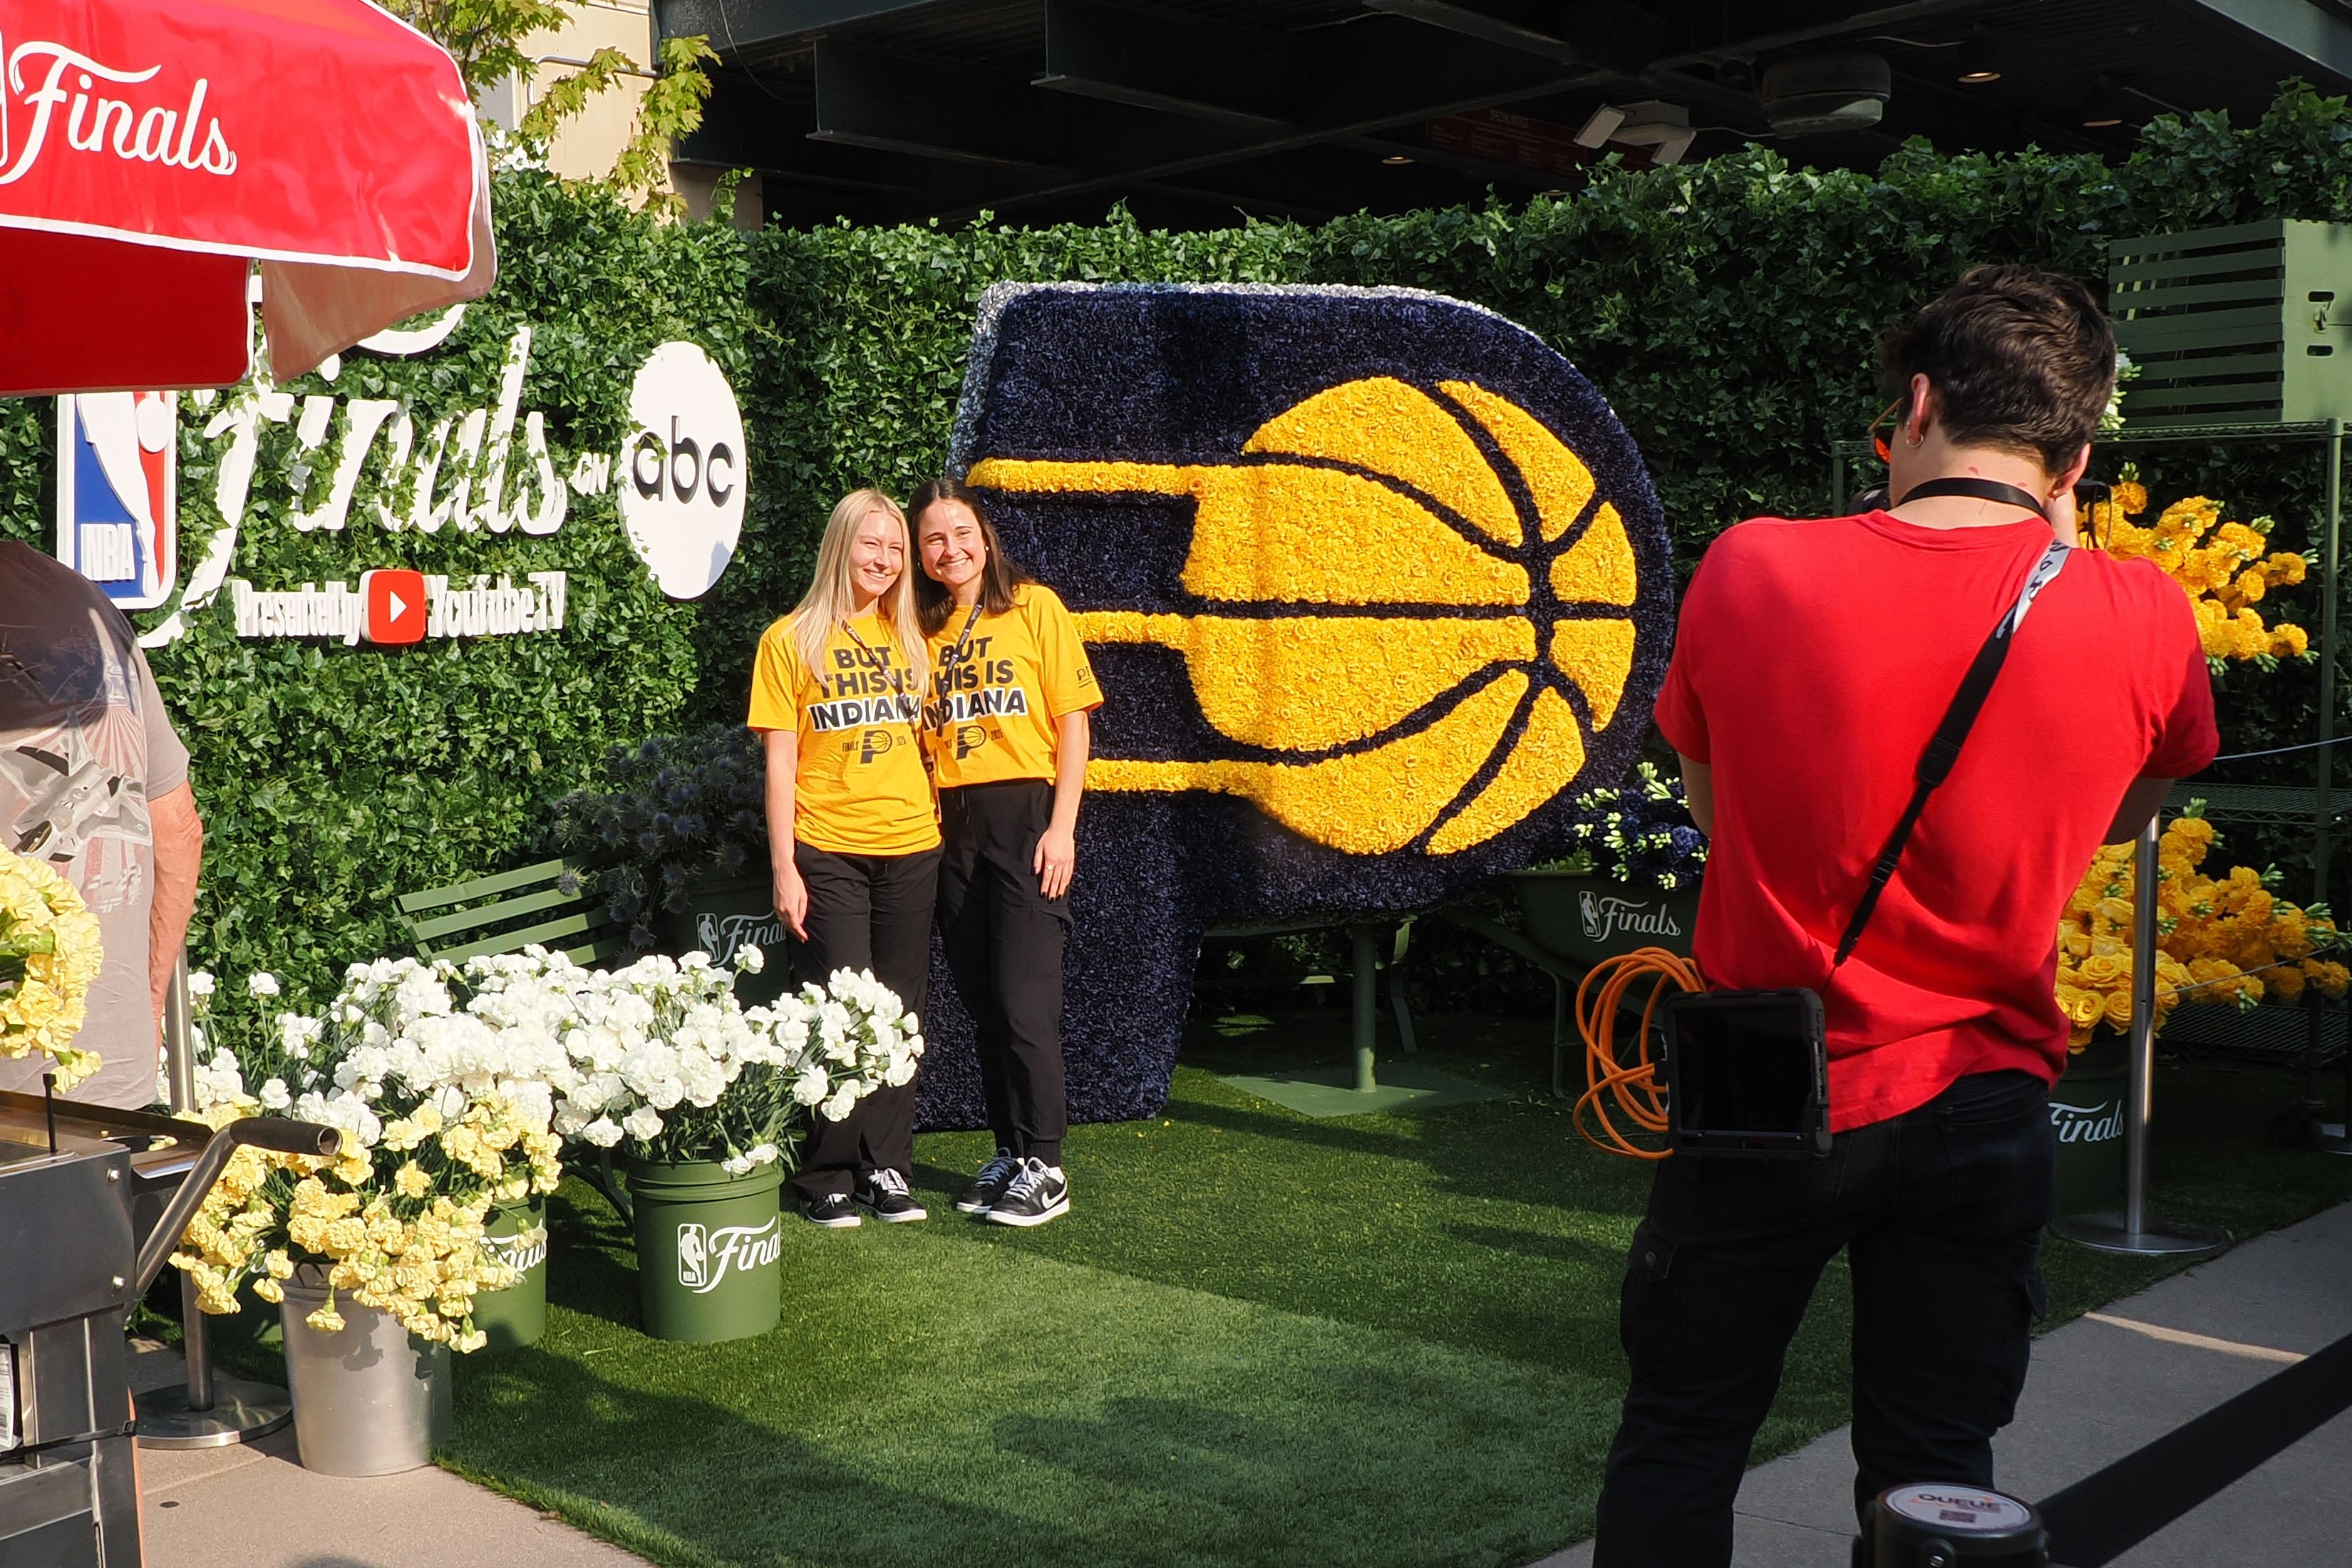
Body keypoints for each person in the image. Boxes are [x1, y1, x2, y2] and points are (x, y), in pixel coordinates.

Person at [1592, 266, 2218, 1567]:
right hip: (1986, 1096)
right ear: (2075, 459)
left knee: (1685, 1433)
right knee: (1938, 1472)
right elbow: (2128, 815)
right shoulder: (2142, 608)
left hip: (1766, 1089)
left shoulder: (1757, 566)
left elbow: (1716, 805)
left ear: (1917, 404)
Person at [909, 480, 1100, 1227]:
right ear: (920, 553)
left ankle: (1047, 1165)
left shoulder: (1034, 607)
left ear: (985, 537)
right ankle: (1011, 1151)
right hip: (952, 825)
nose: (950, 549)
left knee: (1025, 1001)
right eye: (934, 538)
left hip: (1026, 815)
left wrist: (1062, 828)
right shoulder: (920, 629)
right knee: (985, 1001)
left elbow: (1074, 723)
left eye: (961, 532)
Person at [749, 489, 939, 1228]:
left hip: (912, 847)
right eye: (872, 545)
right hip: (827, 849)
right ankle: (826, 1172)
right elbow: (780, 765)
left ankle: (887, 1167)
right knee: (838, 1009)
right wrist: (784, 867)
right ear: (840, 547)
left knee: (899, 1011)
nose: (885, 561)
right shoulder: (789, 641)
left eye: (895, 549)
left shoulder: (912, 639)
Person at [0, 542, 204, 1109]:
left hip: (12, 1089)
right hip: (113, 1074)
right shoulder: (86, 605)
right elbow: (179, 830)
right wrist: (148, 1003)